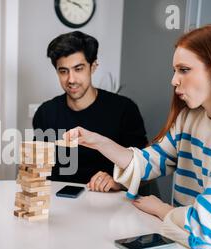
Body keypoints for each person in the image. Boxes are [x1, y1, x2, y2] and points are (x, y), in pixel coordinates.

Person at [65, 25, 211, 249]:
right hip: (187, 239)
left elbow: (207, 228)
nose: (174, 80)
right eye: (175, 71)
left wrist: (162, 209)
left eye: (184, 70)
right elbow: (151, 161)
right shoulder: (191, 119)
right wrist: (98, 141)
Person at [33, 31, 149, 193]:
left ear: (93, 67)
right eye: (63, 71)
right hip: (59, 202)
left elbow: (145, 170)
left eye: (78, 69)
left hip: (108, 201)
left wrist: (119, 182)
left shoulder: (124, 109)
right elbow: (38, 169)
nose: (71, 79)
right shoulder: (46, 113)